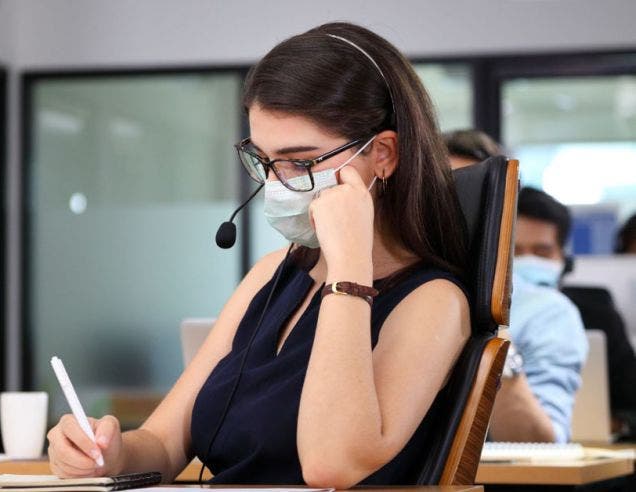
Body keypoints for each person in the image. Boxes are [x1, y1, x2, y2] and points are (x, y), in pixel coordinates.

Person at [47, 22, 472, 488]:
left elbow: (331, 465)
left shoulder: (434, 302)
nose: (276, 183)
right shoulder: (273, 273)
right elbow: (165, 445)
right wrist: (108, 452)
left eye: (302, 161)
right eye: (264, 161)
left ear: (384, 154)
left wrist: (351, 265)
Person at [444, 130, 588, 442]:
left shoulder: (546, 312)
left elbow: (540, 446)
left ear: (501, 211)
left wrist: (491, 333)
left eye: (466, 198)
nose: (449, 216)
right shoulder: (373, 291)